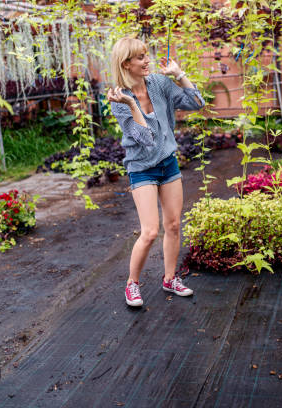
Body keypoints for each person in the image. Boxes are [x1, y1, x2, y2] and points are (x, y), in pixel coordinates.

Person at [107, 37, 205, 307]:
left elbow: (197, 103)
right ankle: (132, 284)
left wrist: (180, 75)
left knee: (173, 225)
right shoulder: (119, 99)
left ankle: (170, 278)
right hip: (142, 168)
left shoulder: (160, 84)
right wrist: (130, 105)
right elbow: (146, 138)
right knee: (150, 231)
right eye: (140, 57)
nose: (147, 60)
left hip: (168, 163)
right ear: (126, 63)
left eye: (146, 55)